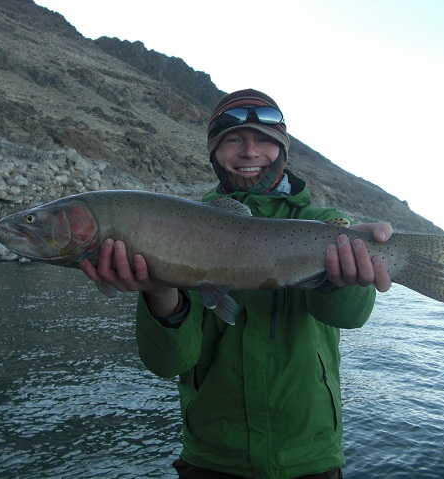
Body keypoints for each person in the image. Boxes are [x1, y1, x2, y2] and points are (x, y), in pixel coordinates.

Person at [80, 89, 393, 479]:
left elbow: (351, 317)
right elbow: (169, 363)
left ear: (282, 150)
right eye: (233, 140)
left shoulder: (325, 223)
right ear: (214, 152)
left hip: (309, 456)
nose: (250, 152)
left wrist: (339, 283)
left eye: (265, 140)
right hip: (212, 458)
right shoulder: (177, 230)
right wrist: (160, 290)